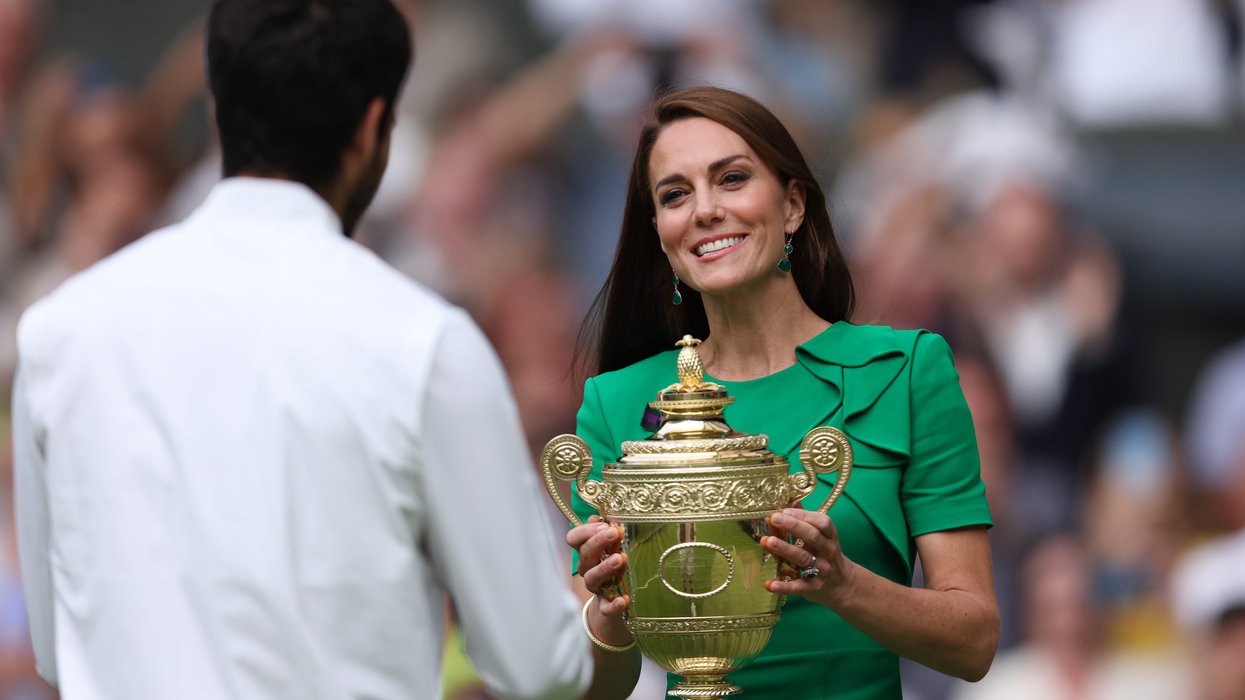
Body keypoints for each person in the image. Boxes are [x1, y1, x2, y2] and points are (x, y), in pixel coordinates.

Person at [10, 1, 593, 698]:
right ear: (376, 125)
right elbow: (540, 667)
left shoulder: (58, 332)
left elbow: (57, 644)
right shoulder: (423, 342)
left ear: (221, 113)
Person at [566, 85, 999, 699]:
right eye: (675, 194)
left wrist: (844, 583)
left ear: (793, 204)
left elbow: (975, 640)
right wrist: (607, 612)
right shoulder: (615, 401)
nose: (705, 210)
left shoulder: (907, 370)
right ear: (660, 232)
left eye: (732, 179)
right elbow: (591, 689)